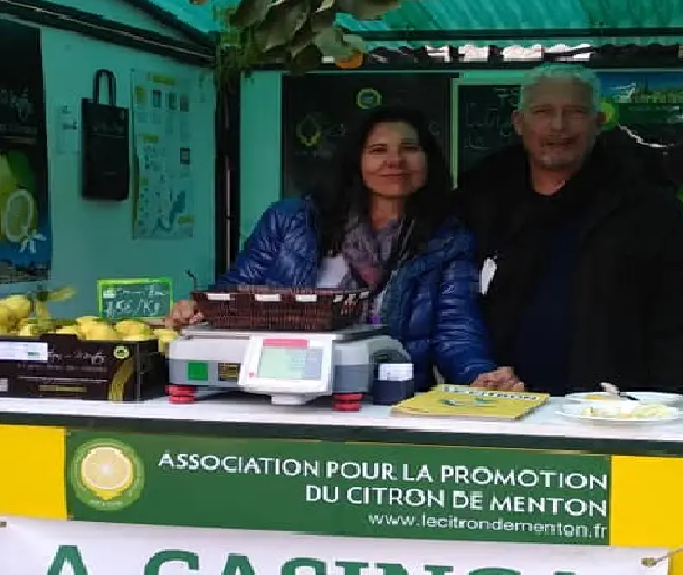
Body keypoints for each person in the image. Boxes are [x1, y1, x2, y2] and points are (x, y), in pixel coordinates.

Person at [168, 105, 521, 393]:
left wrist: (480, 376)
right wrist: (197, 310)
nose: (395, 161)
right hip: (281, 389)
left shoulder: (448, 238)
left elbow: (456, 328)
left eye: (410, 149)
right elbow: (236, 291)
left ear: (428, 163)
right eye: (378, 150)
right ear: (357, 163)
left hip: (387, 399)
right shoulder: (293, 220)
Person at [457, 64, 683, 395]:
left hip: (610, 410)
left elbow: (682, 317)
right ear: (519, 123)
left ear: (599, 122)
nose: (558, 126)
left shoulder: (647, 205)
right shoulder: (480, 198)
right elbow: (453, 310)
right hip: (498, 401)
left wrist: (669, 402)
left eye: (575, 112)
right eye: (543, 111)